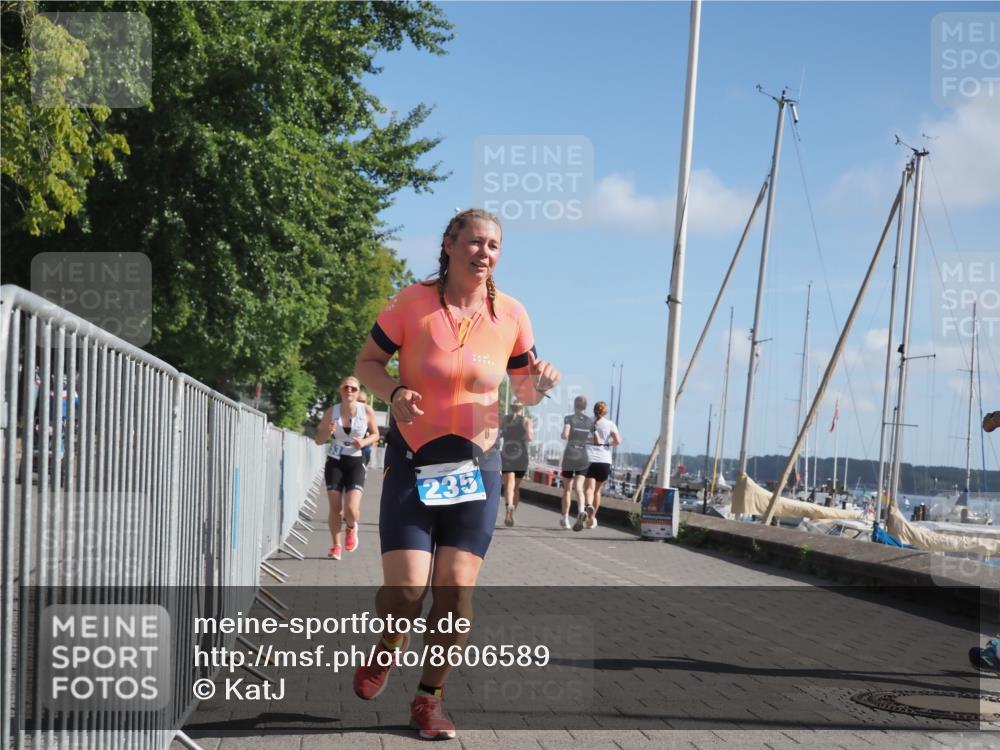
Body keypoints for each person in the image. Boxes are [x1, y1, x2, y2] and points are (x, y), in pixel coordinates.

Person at [353, 208, 559, 740]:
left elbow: (526, 390)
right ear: (448, 244)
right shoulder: (411, 302)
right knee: (405, 592)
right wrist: (394, 393)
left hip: (477, 465)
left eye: (493, 245)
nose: (484, 252)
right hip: (415, 459)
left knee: (456, 593)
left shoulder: (512, 314)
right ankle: (388, 644)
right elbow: (367, 363)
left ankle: (429, 699)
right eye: (474, 242)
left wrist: (541, 379)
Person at [314, 376, 381, 560]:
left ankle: (351, 527)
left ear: (358, 391)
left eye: (353, 388)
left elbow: (376, 435)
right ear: (340, 390)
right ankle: (336, 546)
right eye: (346, 388)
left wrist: (364, 442)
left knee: (351, 509)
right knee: (335, 508)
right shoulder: (331, 412)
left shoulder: (366, 410)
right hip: (335, 461)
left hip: (355, 461)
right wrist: (328, 431)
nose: (349, 391)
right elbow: (318, 440)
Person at [579, 401, 621, 531]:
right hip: (604, 461)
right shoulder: (610, 424)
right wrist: (606, 443)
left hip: (589, 459)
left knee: (589, 489)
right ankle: (592, 518)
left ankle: (588, 505)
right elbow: (617, 441)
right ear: (605, 412)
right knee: (597, 491)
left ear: (594, 410)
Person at [560, 395, 592, 529]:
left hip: (570, 455)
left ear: (575, 405)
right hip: (583, 456)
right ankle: (580, 511)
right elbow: (594, 439)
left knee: (567, 489)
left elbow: (565, 434)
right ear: (585, 406)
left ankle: (565, 519)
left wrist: (564, 435)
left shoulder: (569, 418)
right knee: (579, 488)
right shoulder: (590, 421)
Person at [500, 402, 533, 527]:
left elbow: (495, 433)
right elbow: (530, 437)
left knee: (509, 484)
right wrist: (523, 434)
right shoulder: (526, 421)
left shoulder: (504, 418)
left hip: (507, 453)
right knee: (516, 487)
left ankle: (508, 505)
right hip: (521, 455)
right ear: (522, 409)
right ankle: (511, 514)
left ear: (510, 407)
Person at [357, 389, 374, 468]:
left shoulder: (369, 413)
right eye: (358, 401)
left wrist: (371, 439)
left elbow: (375, 433)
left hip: (364, 443)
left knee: (367, 450)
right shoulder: (348, 411)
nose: (360, 403)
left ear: (366, 402)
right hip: (350, 443)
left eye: (363, 401)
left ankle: (363, 468)